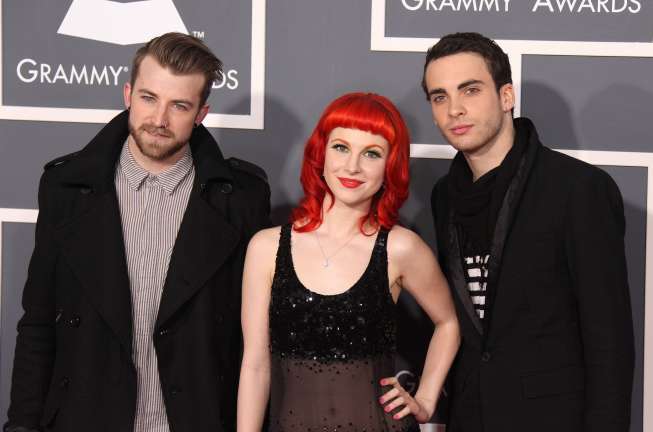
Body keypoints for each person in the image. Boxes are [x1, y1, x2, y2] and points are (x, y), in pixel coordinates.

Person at [4, 32, 270, 432]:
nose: (159, 120)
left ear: (201, 113)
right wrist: (21, 426)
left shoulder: (241, 199)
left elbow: (255, 341)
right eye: (149, 98)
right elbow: (38, 322)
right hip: (86, 418)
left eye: (179, 105)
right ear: (128, 94)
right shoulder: (67, 189)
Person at [423, 32, 634, 432]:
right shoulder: (443, 197)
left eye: (470, 90)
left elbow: (610, 342)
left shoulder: (577, 189)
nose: (455, 109)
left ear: (506, 96)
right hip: (471, 418)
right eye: (440, 97)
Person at [237, 92, 460, 431]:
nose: (352, 166)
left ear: (390, 166)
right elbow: (255, 365)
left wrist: (427, 399)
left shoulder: (401, 248)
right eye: (341, 147)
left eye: (372, 153)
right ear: (320, 153)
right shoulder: (266, 248)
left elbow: (449, 323)